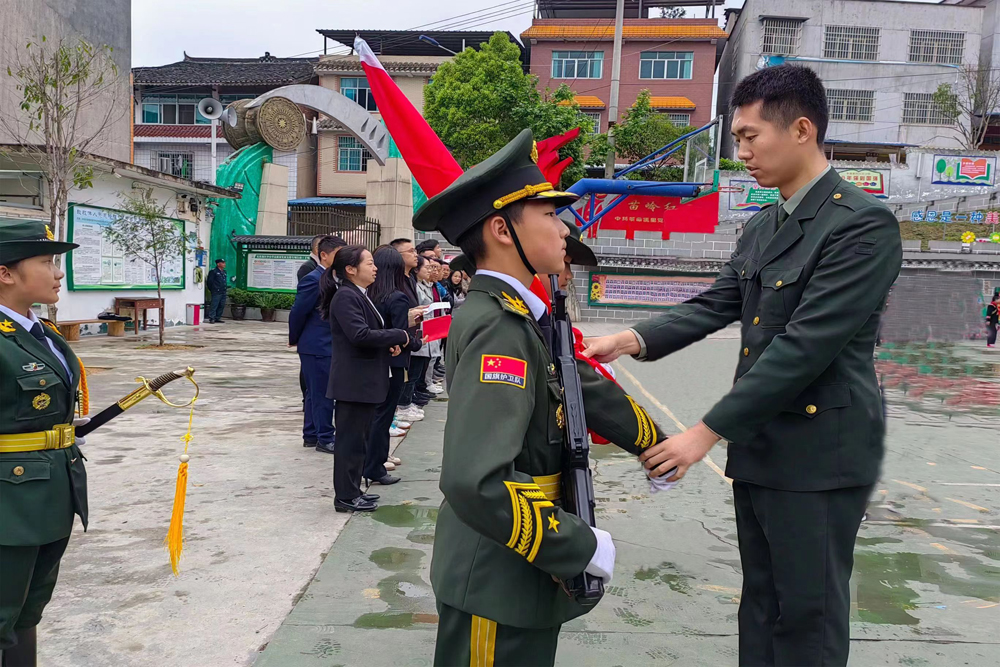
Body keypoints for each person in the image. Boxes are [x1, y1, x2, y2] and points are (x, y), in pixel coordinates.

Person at [583, 65, 903, 667]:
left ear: (802, 129)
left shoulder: (859, 224)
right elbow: (717, 303)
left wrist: (702, 435)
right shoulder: (764, 223)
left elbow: (805, 346)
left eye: (752, 136)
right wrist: (626, 338)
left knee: (808, 611)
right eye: (738, 139)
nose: (743, 151)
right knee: (760, 601)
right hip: (763, 446)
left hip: (820, 452)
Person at [413, 129, 665, 666]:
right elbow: (475, 480)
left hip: (515, 566)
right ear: (503, 229)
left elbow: (576, 387)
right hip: (496, 571)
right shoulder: (498, 328)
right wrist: (579, 546)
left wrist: (654, 443)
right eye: (548, 214)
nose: (562, 226)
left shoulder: (521, 319)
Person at [0, 219, 90, 666]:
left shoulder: (44, 334)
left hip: (51, 491)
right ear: (6, 272)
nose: (58, 273)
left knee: (26, 610)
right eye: (46, 261)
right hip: (8, 502)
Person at [320, 245, 410, 513]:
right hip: (353, 382)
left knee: (359, 441)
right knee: (349, 443)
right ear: (350, 269)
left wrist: (388, 343)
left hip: (365, 380)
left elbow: (371, 332)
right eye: (369, 263)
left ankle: (353, 490)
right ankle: (345, 496)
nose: (375, 268)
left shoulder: (361, 295)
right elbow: (359, 335)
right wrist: (398, 335)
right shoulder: (346, 296)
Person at [365, 246, 423, 485]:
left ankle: (371, 461)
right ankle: (376, 466)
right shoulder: (397, 297)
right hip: (393, 363)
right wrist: (415, 339)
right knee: (384, 415)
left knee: (373, 415)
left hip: (372, 362)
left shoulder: (367, 295)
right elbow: (400, 336)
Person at [289, 235, 345, 454]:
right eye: (337, 254)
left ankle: (311, 434)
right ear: (324, 255)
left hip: (323, 344)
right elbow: (298, 312)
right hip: (317, 345)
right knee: (322, 393)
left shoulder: (332, 277)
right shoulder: (314, 279)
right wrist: (294, 338)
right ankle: (325, 438)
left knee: (315, 392)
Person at [410, 256, 439, 405]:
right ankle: (408, 400)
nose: (430, 270)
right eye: (427, 267)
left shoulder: (426, 285)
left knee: (426, 362)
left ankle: (417, 391)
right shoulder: (415, 286)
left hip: (429, 325)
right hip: (419, 327)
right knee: (415, 366)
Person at [206, 258, 228, 323]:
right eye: (222, 263)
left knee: (221, 305)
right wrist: (213, 289)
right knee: (214, 305)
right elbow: (209, 282)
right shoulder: (213, 271)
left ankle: (217, 317)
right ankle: (212, 318)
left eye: (224, 263)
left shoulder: (224, 272)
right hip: (216, 291)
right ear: (218, 264)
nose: (224, 264)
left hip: (223, 291)